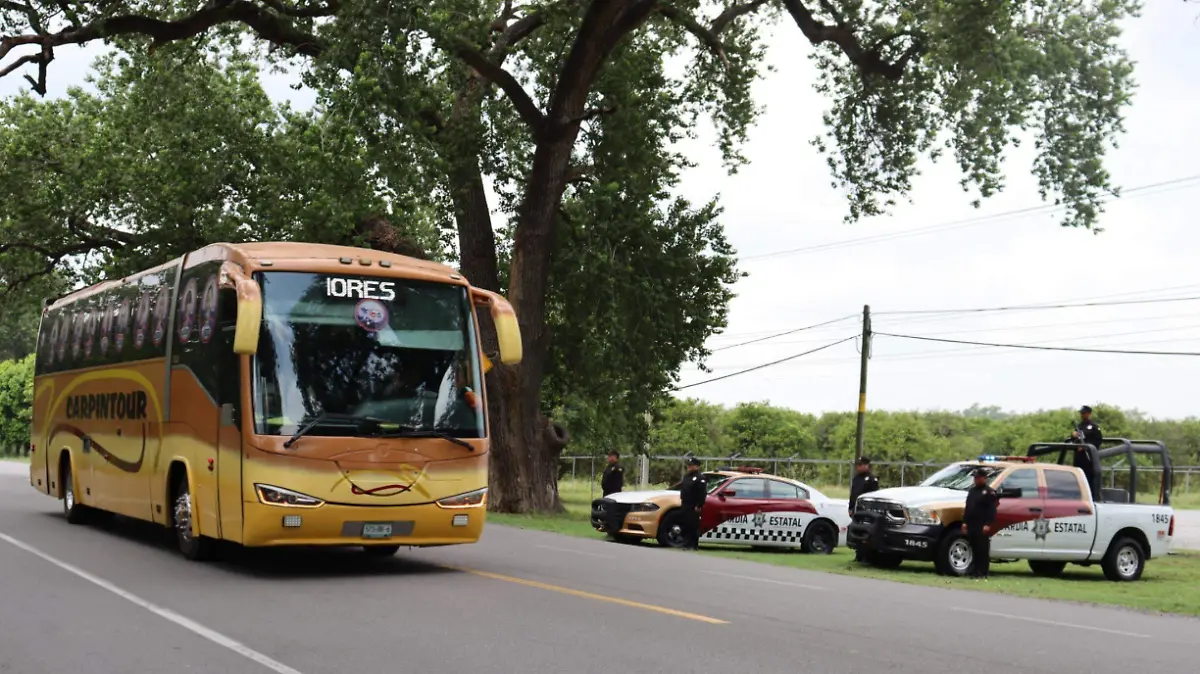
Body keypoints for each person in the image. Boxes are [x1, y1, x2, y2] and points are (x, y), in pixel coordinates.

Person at [961, 467, 999, 580]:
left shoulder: (989, 492)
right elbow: (968, 508)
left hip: (982, 524)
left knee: (982, 548)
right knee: (974, 548)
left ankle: (982, 571)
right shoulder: (972, 491)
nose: (975, 480)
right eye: (975, 478)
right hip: (972, 524)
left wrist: (988, 524)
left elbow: (992, 510)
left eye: (978, 478)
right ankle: (974, 570)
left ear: (984, 478)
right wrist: (964, 522)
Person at [848, 456, 880, 562]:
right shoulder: (857, 478)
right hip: (857, 510)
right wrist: (851, 507)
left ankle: (867, 556)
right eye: (858, 465)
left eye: (861, 465)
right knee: (857, 532)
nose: (858, 467)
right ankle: (859, 554)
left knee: (866, 534)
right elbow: (853, 494)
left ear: (867, 465)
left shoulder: (872, 479)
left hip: (867, 511)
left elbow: (874, 497)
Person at [1067, 405, 1103, 491]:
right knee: (1077, 477)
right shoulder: (1079, 426)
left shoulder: (1094, 426)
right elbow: (1074, 440)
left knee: (1088, 477)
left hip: (1088, 457)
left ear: (1089, 414)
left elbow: (1098, 440)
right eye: (1081, 413)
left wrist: (1086, 447)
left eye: (1084, 413)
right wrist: (1073, 435)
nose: (1082, 415)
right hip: (1078, 457)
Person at [678, 458, 707, 550]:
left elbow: (702, 493)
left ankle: (693, 545)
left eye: (691, 465)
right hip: (685, 504)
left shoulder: (700, 477)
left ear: (697, 466)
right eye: (688, 465)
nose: (689, 467)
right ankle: (686, 543)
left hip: (694, 505)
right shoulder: (687, 477)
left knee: (693, 525)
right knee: (685, 524)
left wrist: (699, 505)